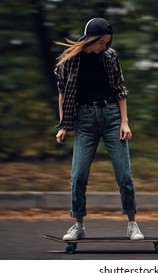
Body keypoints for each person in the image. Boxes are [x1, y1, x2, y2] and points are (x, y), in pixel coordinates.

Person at [54, 17, 144, 241]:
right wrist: (64, 124)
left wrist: (124, 121)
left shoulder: (110, 58)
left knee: (124, 174)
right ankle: (78, 225)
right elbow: (63, 93)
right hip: (85, 120)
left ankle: (132, 224)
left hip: (112, 117)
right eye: (102, 42)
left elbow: (120, 90)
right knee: (78, 175)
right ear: (90, 39)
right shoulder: (70, 61)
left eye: (107, 42)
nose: (105, 46)